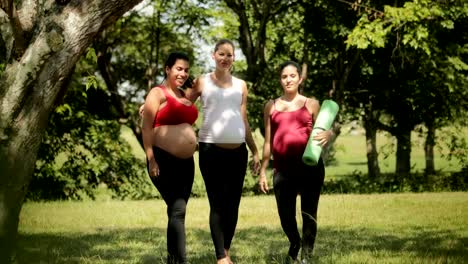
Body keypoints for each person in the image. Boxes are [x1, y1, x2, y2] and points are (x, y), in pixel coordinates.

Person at [185, 39, 260, 264]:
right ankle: (221, 257)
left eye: (229, 55)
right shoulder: (201, 81)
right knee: (217, 203)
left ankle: (225, 250)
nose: (225, 58)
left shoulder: (241, 85)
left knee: (233, 204)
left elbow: (243, 120)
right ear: (213, 55)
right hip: (210, 151)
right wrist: (152, 103)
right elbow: (180, 102)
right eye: (221, 54)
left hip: (238, 153)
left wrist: (255, 150)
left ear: (234, 58)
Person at [258, 61, 333, 263]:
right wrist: (264, 170)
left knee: (309, 213)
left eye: (292, 76)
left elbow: (326, 129)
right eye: (284, 76)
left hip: (310, 168)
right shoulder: (271, 106)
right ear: (280, 80)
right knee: (286, 216)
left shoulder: (312, 104)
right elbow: (268, 141)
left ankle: (306, 257)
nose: (288, 79)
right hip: (282, 170)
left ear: (300, 78)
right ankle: (295, 242)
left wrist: (330, 133)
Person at [141, 51, 198, 264]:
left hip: (186, 163)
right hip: (162, 160)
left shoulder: (185, 95)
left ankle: (173, 259)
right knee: (177, 208)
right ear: (167, 69)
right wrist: (151, 158)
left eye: (186, 70)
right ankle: (180, 261)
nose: (182, 73)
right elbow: (146, 127)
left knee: (178, 212)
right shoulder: (158, 93)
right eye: (178, 69)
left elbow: (202, 85)